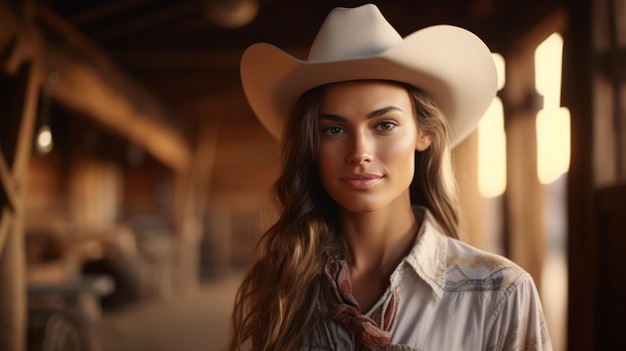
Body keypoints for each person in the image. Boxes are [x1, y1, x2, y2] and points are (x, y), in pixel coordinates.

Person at [230, 3, 552, 350]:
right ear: (311, 144)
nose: (360, 151)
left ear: (423, 134)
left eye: (384, 125)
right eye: (334, 129)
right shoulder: (281, 282)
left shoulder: (500, 292)